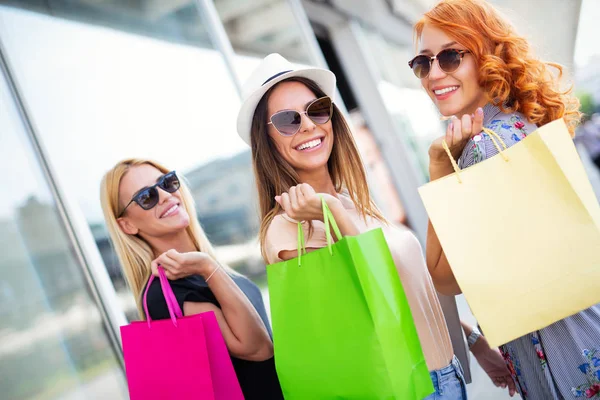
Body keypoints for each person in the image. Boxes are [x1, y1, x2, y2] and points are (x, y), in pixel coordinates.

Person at [236, 52, 466, 399]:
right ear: (267, 140)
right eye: (287, 120)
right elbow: (373, 295)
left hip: (447, 374)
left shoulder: (356, 200)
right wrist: (332, 213)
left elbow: (407, 286)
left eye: (316, 109)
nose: (308, 125)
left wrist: (471, 338)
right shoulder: (287, 227)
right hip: (408, 388)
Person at [409, 1, 600, 398]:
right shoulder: (519, 122)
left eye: (449, 56)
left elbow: (445, 278)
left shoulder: (484, 150)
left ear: (486, 55)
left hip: (563, 351)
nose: (434, 74)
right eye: (423, 63)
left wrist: (438, 168)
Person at [100, 158, 283, 400]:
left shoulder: (207, 266)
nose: (165, 195)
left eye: (167, 182)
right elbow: (258, 349)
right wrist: (208, 268)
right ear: (127, 225)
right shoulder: (166, 294)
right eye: (147, 197)